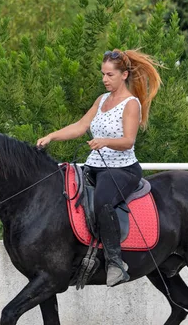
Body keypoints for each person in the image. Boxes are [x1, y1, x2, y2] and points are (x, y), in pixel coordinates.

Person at [36, 49, 161, 287]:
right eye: (103, 74)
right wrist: (51, 136)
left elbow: (128, 141)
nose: (105, 79)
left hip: (122, 170)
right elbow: (81, 126)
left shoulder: (131, 104)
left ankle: (115, 263)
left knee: (102, 202)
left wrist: (105, 141)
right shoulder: (102, 100)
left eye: (110, 74)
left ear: (124, 75)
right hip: (94, 167)